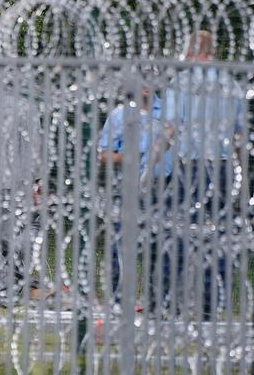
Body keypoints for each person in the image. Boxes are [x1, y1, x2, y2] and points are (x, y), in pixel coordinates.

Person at [160, 30, 243, 319]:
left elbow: (169, 130)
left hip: (190, 168)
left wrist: (149, 169)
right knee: (217, 237)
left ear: (190, 50)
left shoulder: (180, 84)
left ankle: (170, 302)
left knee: (177, 234)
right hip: (221, 168)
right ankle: (212, 304)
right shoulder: (231, 84)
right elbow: (239, 137)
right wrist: (241, 177)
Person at [98, 79, 167, 311]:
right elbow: (105, 155)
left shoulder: (170, 112)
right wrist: (129, 157)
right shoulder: (119, 115)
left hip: (164, 187)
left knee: (161, 247)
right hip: (128, 188)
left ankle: (158, 303)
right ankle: (117, 301)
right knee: (119, 244)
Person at [0, 76, 44, 302]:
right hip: (23, 181)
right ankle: (15, 281)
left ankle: (5, 285)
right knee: (26, 228)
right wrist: (36, 178)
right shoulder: (30, 110)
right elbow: (37, 148)